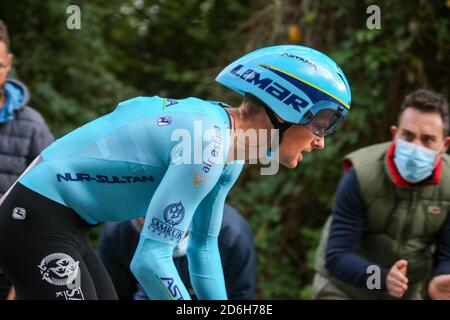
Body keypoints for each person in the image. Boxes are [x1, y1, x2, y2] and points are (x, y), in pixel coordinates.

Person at [0, 45, 351, 300]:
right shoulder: (206, 143)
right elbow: (150, 260)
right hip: (34, 216)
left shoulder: (230, 151)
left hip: (66, 222)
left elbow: (203, 247)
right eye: (322, 124)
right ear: (286, 110)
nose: (320, 141)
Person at [313, 89, 450, 300]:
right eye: (408, 136)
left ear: (444, 145)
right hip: (343, 288)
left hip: (406, 293)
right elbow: (337, 258)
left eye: (428, 139)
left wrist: (439, 279)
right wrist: (382, 279)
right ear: (395, 134)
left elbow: (446, 254)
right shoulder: (360, 173)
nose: (416, 147)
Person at [98, 204, 257, 300]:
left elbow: (240, 296)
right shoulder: (117, 234)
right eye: (146, 219)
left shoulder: (232, 234)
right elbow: (116, 293)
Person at [0, 19, 54, 300]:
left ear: (8, 63)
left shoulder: (32, 126)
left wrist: (23, 279)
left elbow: (53, 203)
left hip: (13, 264)